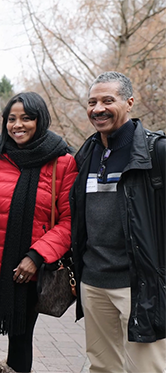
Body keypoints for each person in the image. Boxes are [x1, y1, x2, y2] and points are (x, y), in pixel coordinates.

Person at [0, 92, 77, 373]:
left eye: (27, 118)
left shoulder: (62, 162)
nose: (18, 125)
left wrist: (36, 256)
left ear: (40, 121)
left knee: (20, 342)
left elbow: (68, 221)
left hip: (28, 270)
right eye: (12, 119)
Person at [70, 71, 166, 373]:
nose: (98, 108)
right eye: (92, 102)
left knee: (147, 368)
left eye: (107, 100)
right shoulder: (86, 154)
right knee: (101, 367)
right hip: (93, 282)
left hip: (139, 284)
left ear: (129, 102)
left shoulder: (156, 151)